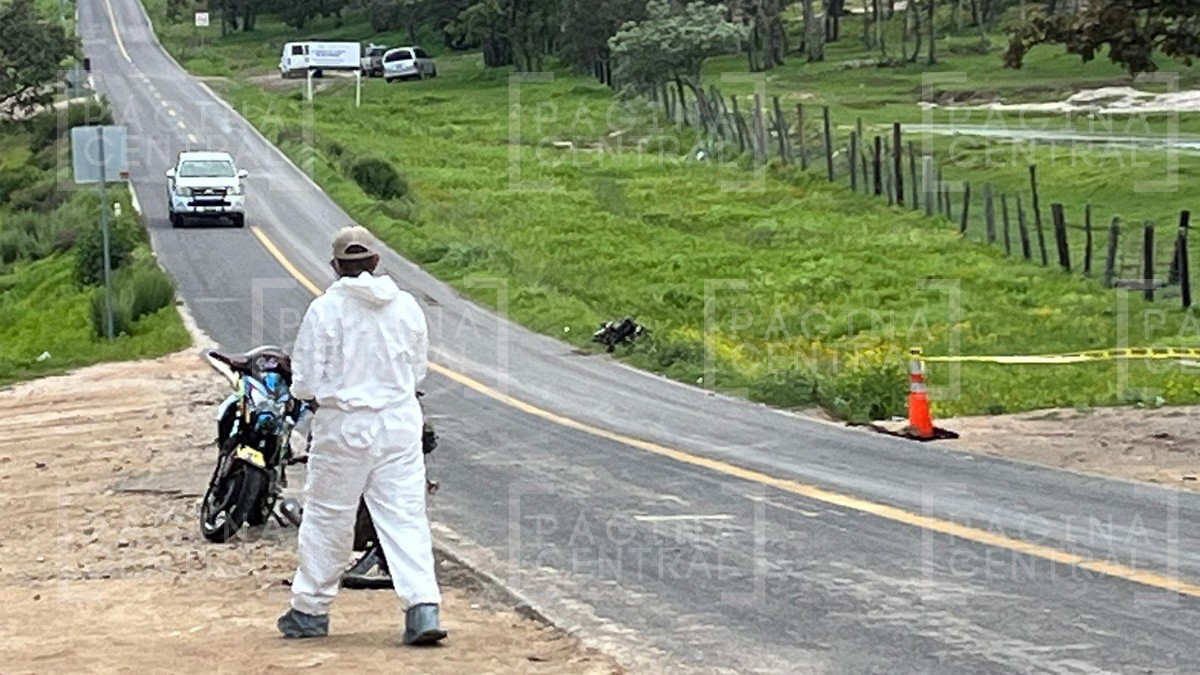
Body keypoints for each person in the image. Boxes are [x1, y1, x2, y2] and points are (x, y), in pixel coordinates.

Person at [277, 225, 446, 646]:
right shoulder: (405, 307)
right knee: (404, 516)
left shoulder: (325, 311)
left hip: (343, 426)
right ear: (375, 261)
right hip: (398, 424)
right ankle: (422, 610)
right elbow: (418, 370)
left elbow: (304, 383)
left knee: (328, 517)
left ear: (336, 267)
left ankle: (310, 611)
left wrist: (320, 394)